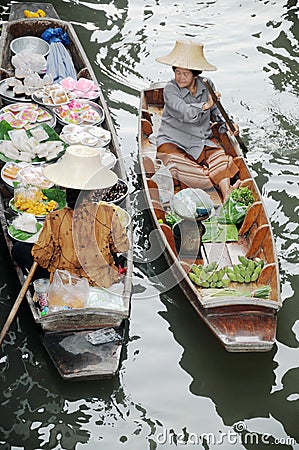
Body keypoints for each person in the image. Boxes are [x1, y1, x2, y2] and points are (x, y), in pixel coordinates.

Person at [12, 145, 130, 288]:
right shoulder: (108, 213)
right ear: (93, 191)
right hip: (101, 280)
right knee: (114, 257)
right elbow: (122, 246)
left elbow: (41, 258)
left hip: (66, 283)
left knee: (19, 249)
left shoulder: (55, 218)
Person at [155, 40, 240, 202]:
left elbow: (216, 111)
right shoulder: (170, 89)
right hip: (174, 141)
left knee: (220, 157)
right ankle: (209, 178)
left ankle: (227, 192)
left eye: (185, 74)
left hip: (201, 141)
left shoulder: (207, 85)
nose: (180, 77)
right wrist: (205, 105)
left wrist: (228, 125)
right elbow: (183, 112)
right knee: (174, 165)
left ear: (195, 74)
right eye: (177, 72)